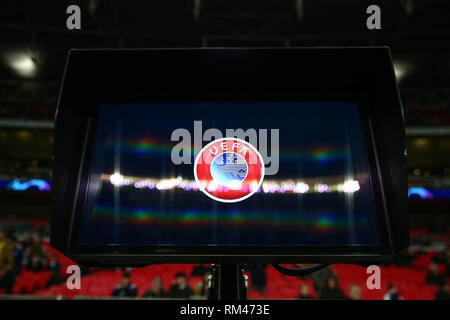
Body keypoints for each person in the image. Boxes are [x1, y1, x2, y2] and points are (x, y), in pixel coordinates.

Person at [0, 228, 15, 294]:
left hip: (6, 273)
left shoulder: (8, 245)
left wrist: (4, 270)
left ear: (4, 235)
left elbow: (10, 261)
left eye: (0, 233)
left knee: (8, 292)